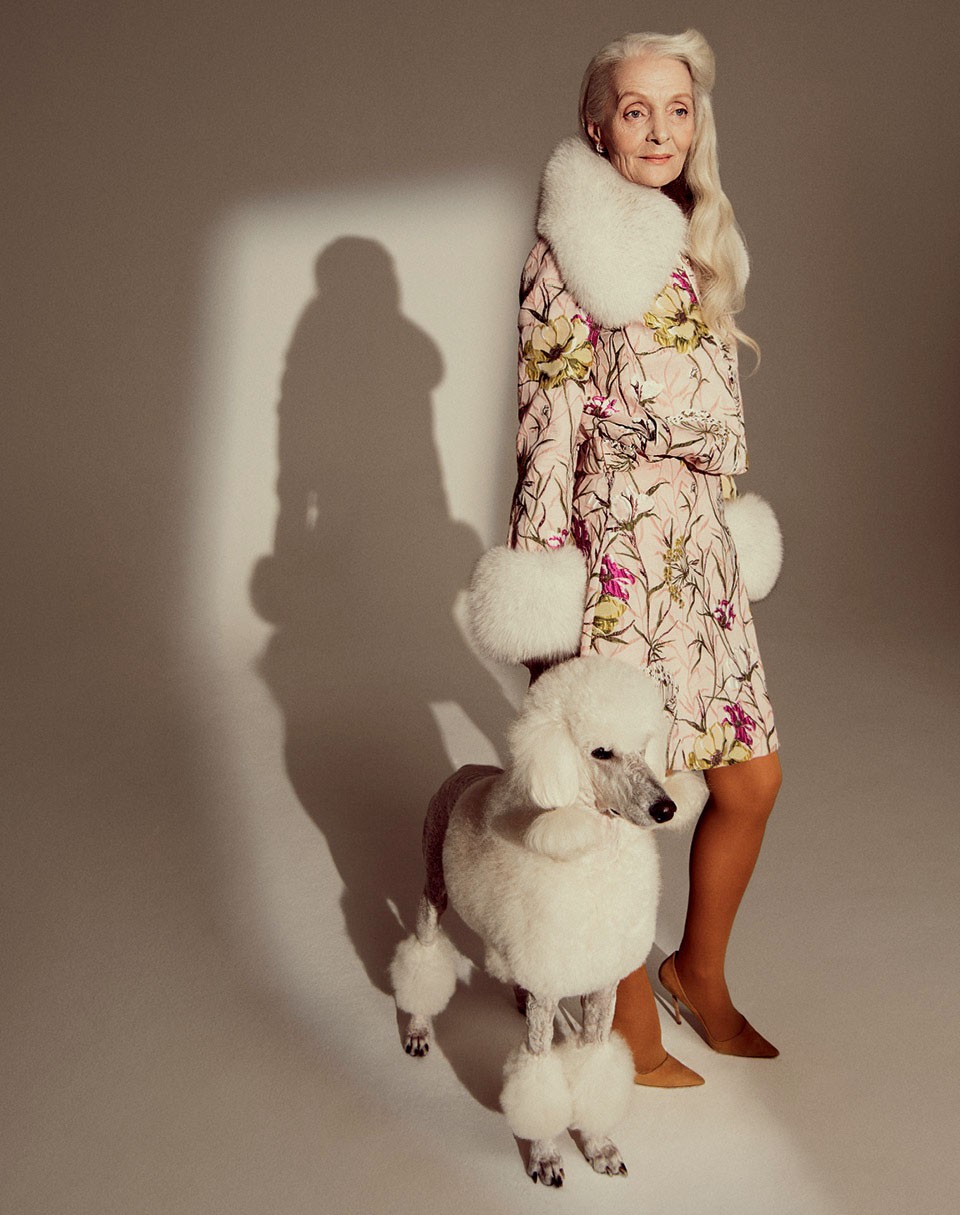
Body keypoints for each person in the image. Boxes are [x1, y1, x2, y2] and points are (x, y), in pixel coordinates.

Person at [500, 29, 783, 1086]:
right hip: (614, 549)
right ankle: (624, 1020)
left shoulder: (696, 235)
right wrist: (543, 588)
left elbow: (716, 413)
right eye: (635, 110)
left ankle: (694, 972)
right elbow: (544, 432)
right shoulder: (568, 252)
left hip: (699, 552)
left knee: (749, 780)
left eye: (677, 108)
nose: (660, 130)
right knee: (626, 798)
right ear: (597, 127)